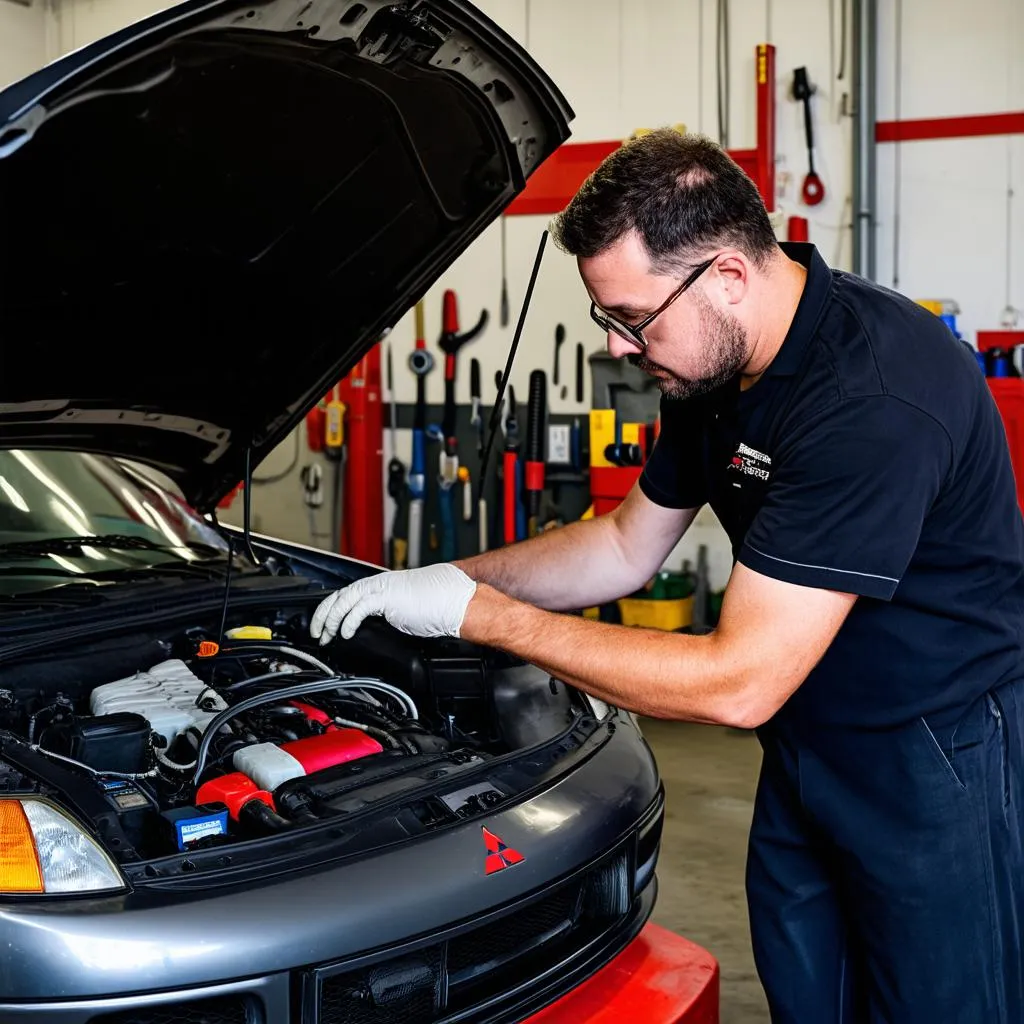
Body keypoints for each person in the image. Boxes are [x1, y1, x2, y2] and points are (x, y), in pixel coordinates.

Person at [310, 130, 1024, 1022]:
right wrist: (437, 581)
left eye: (631, 320)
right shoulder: (711, 368)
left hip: (934, 755)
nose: (617, 348)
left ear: (726, 276)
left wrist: (486, 617)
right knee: (812, 995)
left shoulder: (871, 399)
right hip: (811, 748)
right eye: (607, 321)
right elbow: (622, 547)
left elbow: (739, 682)